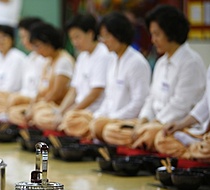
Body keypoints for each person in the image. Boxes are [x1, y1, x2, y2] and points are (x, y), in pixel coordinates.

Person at [111, 5, 207, 151]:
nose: (153, 40)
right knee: (110, 129)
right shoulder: (161, 62)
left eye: (157, 34)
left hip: (179, 126)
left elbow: (181, 105)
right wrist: (143, 120)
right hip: (155, 123)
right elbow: (151, 98)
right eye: (152, 34)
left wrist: (154, 124)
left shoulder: (191, 62)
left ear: (171, 33)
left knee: (157, 139)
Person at [89, 12, 151, 144]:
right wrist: (97, 116)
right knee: (81, 121)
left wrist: (113, 118)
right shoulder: (112, 60)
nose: (103, 41)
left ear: (119, 34)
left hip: (127, 121)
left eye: (107, 36)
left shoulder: (136, 62)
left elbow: (139, 102)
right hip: (110, 119)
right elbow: (108, 98)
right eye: (102, 36)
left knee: (107, 130)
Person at [53, 13, 111, 137]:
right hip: (77, 110)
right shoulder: (82, 56)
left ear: (90, 34)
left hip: (93, 112)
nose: (74, 42)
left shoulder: (103, 54)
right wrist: (61, 111)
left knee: (70, 121)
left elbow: (96, 92)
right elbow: (73, 90)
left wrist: (71, 111)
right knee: (47, 115)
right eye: (72, 38)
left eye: (77, 37)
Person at [26, 22, 75, 130]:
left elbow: (56, 93)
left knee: (39, 116)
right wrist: (32, 106)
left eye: (38, 46)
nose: (37, 51)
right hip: (46, 104)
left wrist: (37, 106)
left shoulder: (63, 61)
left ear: (49, 43)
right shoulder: (48, 61)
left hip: (57, 106)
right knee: (18, 111)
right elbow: (41, 90)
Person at [155, 66, 210, 159]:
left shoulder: (190, 62)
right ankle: (196, 149)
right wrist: (180, 124)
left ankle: (197, 150)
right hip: (203, 134)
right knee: (162, 138)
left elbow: (181, 103)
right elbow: (206, 103)